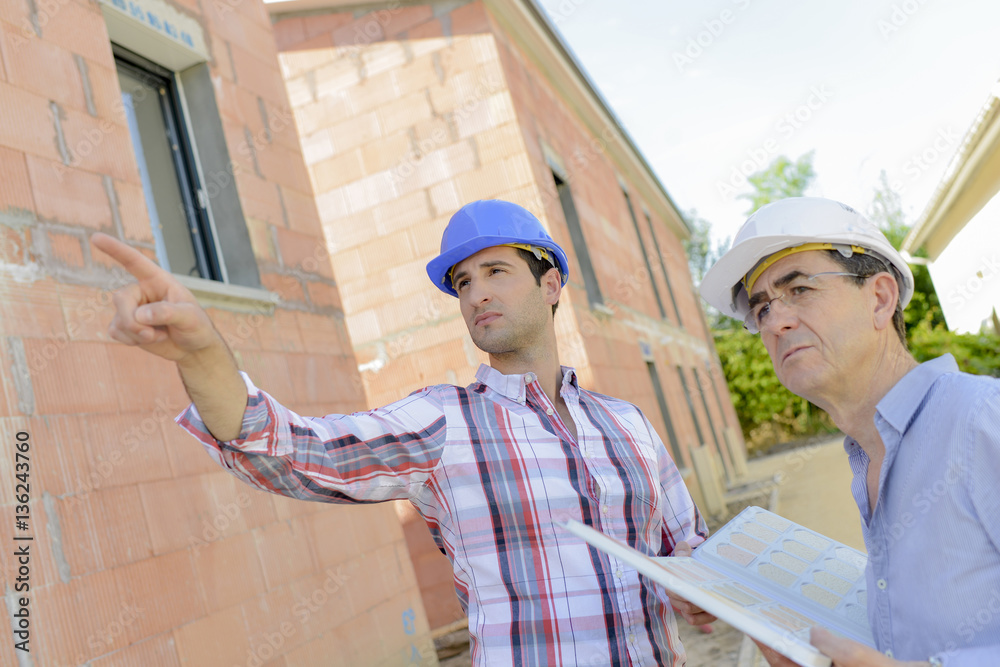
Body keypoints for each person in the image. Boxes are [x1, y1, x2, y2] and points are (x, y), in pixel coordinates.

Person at [93, 199, 709, 666]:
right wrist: (201, 354)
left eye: (496, 272)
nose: (476, 295)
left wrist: (697, 588)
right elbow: (292, 450)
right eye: (463, 283)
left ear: (551, 285)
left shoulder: (628, 424)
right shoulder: (444, 422)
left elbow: (691, 548)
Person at [697, 197, 1000, 666]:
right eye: (761, 310)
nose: (776, 322)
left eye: (799, 289)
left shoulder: (982, 417)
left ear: (879, 298)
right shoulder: (869, 455)